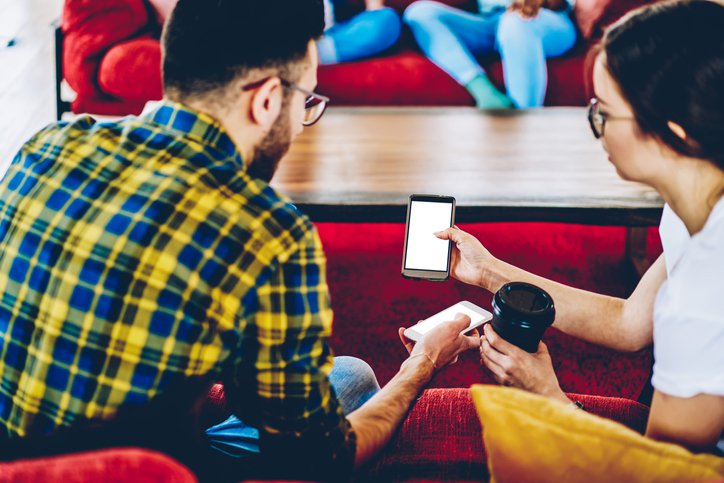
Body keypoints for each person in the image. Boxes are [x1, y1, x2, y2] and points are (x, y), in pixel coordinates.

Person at [0, 0, 479, 480]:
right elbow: (318, 459)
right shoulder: (268, 231)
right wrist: (422, 363)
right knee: (352, 383)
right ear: (267, 99)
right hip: (140, 470)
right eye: (307, 102)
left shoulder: (49, 143)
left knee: (343, 375)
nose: (300, 123)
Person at [433, 0, 724, 454]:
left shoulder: (709, 283)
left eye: (604, 113)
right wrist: (487, 270)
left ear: (674, 130)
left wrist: (548, 397)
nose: (595, 128)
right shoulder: (702, 202)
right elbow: (629, 322)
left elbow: (663, 470)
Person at [403, 0, 578, 109]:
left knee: (515, 22)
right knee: (419, 13)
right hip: (490, 22)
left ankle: (526, 119)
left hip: (546, 20)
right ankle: (485, 93)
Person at [318, 0, 402, 64]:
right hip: (320, 38)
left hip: (335, 34)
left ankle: (315, 52)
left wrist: (373, 7)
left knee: (388, 19)